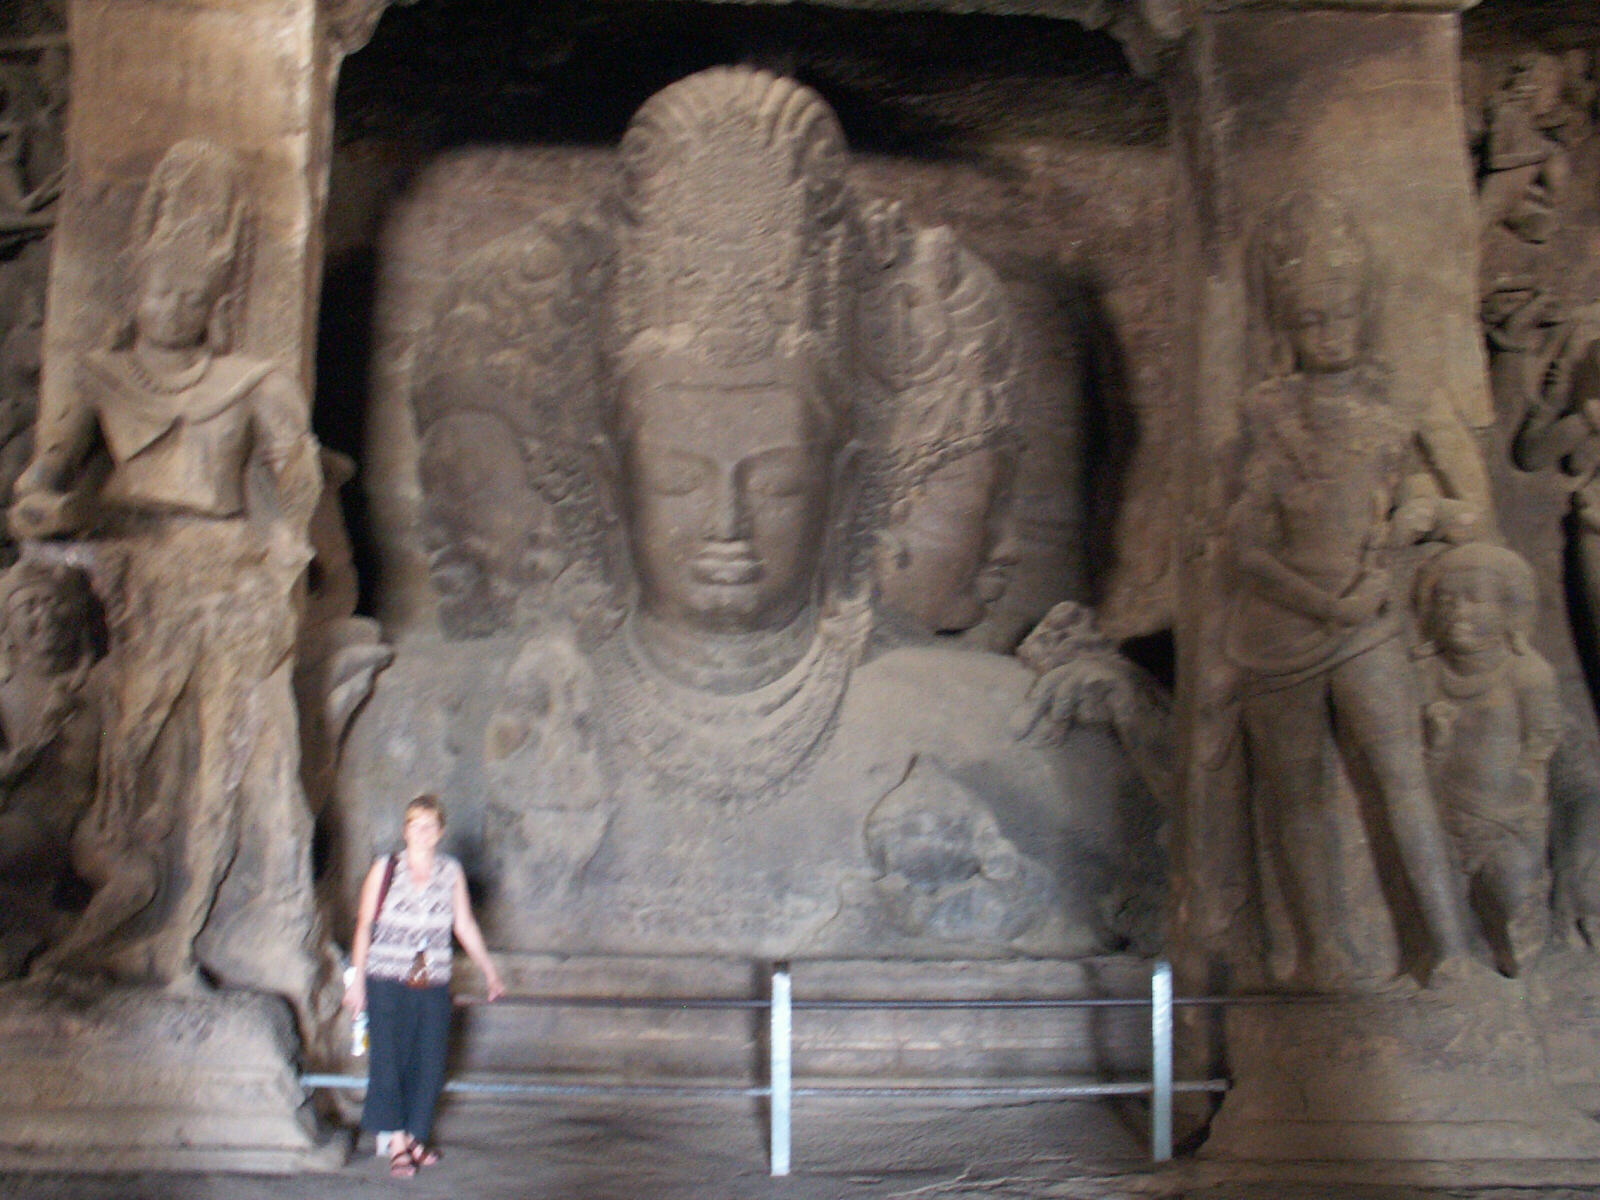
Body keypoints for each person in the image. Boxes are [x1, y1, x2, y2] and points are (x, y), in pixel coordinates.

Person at [343, 794, 505, 1177]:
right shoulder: (385, 869)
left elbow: (463, 925)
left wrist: (490, 971)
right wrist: (357, 980)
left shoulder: (450, 872)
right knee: (389, 1060)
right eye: (416, 825)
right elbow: (365, 924)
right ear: (406, 830)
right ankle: (398, 1142)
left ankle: (416, 1136)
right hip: (386, 977)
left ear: (441, 832)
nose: (423, 832)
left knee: (430, 1061)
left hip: (432, 979)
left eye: (430, 825)